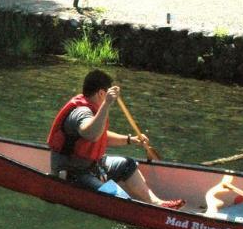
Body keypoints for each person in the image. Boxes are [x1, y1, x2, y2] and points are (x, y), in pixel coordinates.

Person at [47, 69, 185, 209]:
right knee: (117, 198)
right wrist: (106, 104)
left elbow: (102, 136)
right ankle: (135, 213)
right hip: (73, 172)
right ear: (101, 93)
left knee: (128, 164)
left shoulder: (95, 110)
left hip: (93, 165)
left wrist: (131, 139)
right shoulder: (81, 112)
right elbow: (91, 134)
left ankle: (157, 203)